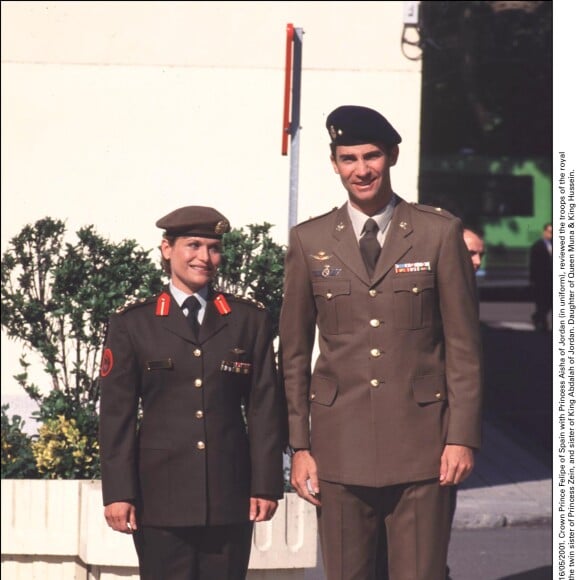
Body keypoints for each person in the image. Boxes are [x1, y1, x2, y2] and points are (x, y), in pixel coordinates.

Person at [279, 105, 483, 580]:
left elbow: (464, 348)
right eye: (348, 158)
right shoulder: (309, 241)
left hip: (423, 447)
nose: (361, 169)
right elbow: (293, 354)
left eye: (371, 156)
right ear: (334, 164)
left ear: (390, 156)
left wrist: (461, 437)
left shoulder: (438, 232)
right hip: (338, 449)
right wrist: (300, 447)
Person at [98, 205, 286, 580]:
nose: (205, 257)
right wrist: (119, 492)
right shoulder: (134, 323)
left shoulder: (248, 320)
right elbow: (116, 415)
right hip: (159, 497)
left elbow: (265, 406)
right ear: (167, 249)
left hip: (229, 495)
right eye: (193, 245)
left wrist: (266, 484)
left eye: (214, 248)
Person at [529, 223, 553, 332]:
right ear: (544, 232)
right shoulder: (537, 246)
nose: (551, 234)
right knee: (542, 302)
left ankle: (538, 316)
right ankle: (542, 324)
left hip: (551, 280)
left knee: (549, 302)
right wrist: (533, 280)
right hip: (541, 280)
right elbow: (533, 264)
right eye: (549, 232)